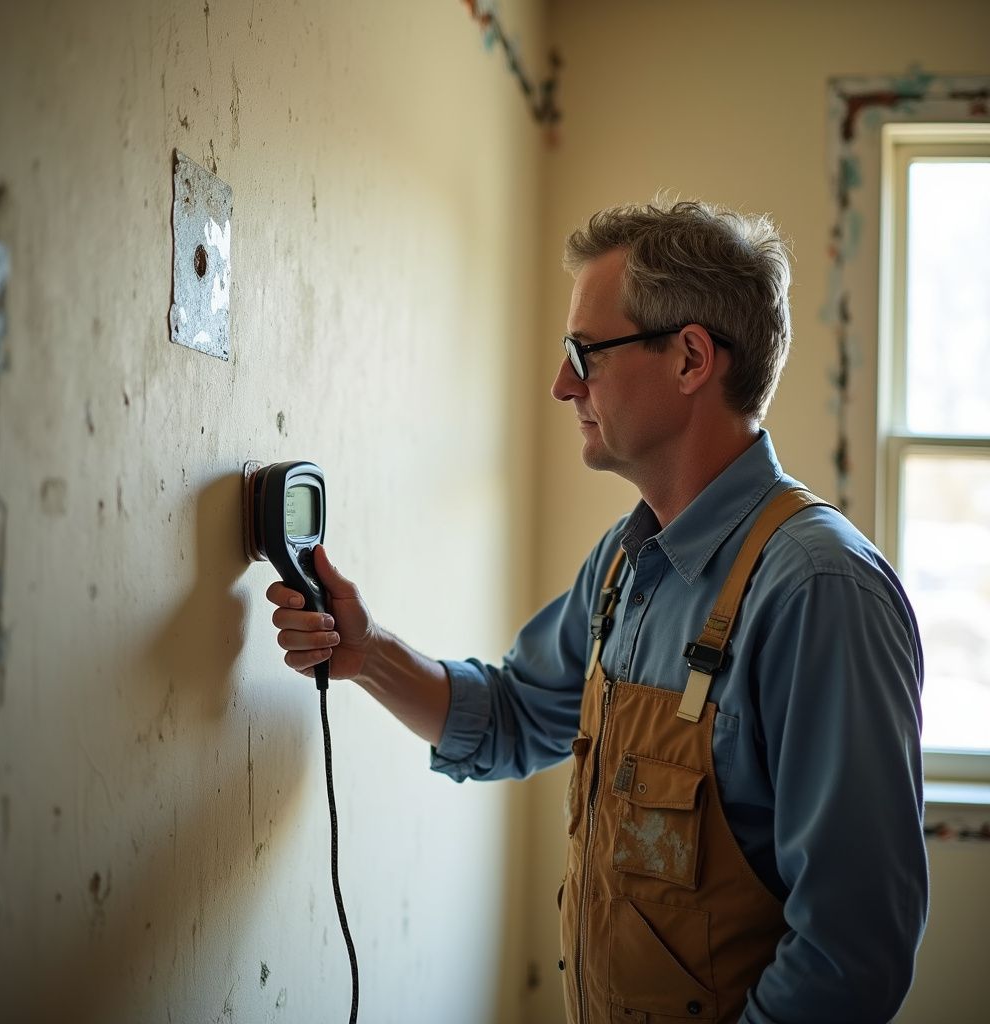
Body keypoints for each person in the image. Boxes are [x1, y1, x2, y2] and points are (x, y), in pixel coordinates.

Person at [266, 198, 928, 1023]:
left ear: (691, 358)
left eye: (585, 352)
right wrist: (366, 654)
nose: (560, 384)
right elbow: (511, 716)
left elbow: (851, 952)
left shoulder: (818, 592)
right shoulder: (625, 563)